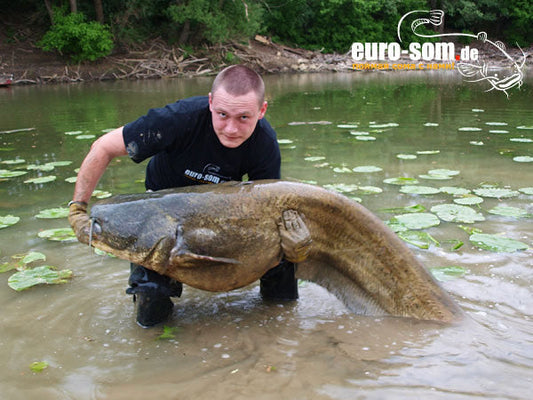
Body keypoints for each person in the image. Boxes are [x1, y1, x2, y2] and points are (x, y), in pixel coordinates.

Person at [68, 65, 299, 327]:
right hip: (161, 209)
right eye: (222, 114)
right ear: (210, 102)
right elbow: (103, 147)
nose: (231, 128)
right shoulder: (177, 119)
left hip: (219, 211)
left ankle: (278, 329)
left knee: (282, 262)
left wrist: (292, 246)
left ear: (262, 111)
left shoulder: (265, 143)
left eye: (243, 117)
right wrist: (78, 208)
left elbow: (266, 208)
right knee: (150, 299)